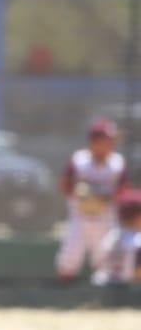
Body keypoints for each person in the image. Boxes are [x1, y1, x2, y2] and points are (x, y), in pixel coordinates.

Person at [56, 118, 127, 284]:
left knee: (105, 262)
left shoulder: (117, 163)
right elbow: (64, 185)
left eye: (111, 140)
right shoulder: (79, 160)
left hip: (106, 219)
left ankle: (101, 302)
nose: (110, 144)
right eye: (106, 140)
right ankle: (63, 299)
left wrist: (103, 197)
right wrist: (80, 192)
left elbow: (123, 191)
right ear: (94, 141)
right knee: (68, 260)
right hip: (80, 218)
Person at [97, 186, 141, 287]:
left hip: (105, 281)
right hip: (128, 284)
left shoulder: (112, 234)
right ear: (137, 216)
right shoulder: (137, 239)